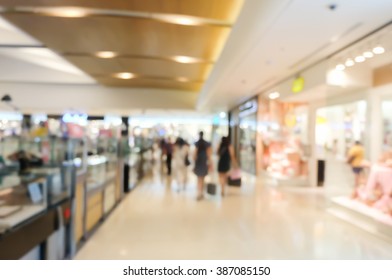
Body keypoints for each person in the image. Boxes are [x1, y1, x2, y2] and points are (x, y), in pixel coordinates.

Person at [193, 131, 212, 200]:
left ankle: (200, 193)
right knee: (202, 178)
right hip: (204, 163)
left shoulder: (197, 143)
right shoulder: (207, 143)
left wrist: (194, 162)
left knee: (199, 179)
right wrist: (210, 163)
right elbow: (209, 155)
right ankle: (201, 193)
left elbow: (194, 155)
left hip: (198, 163)